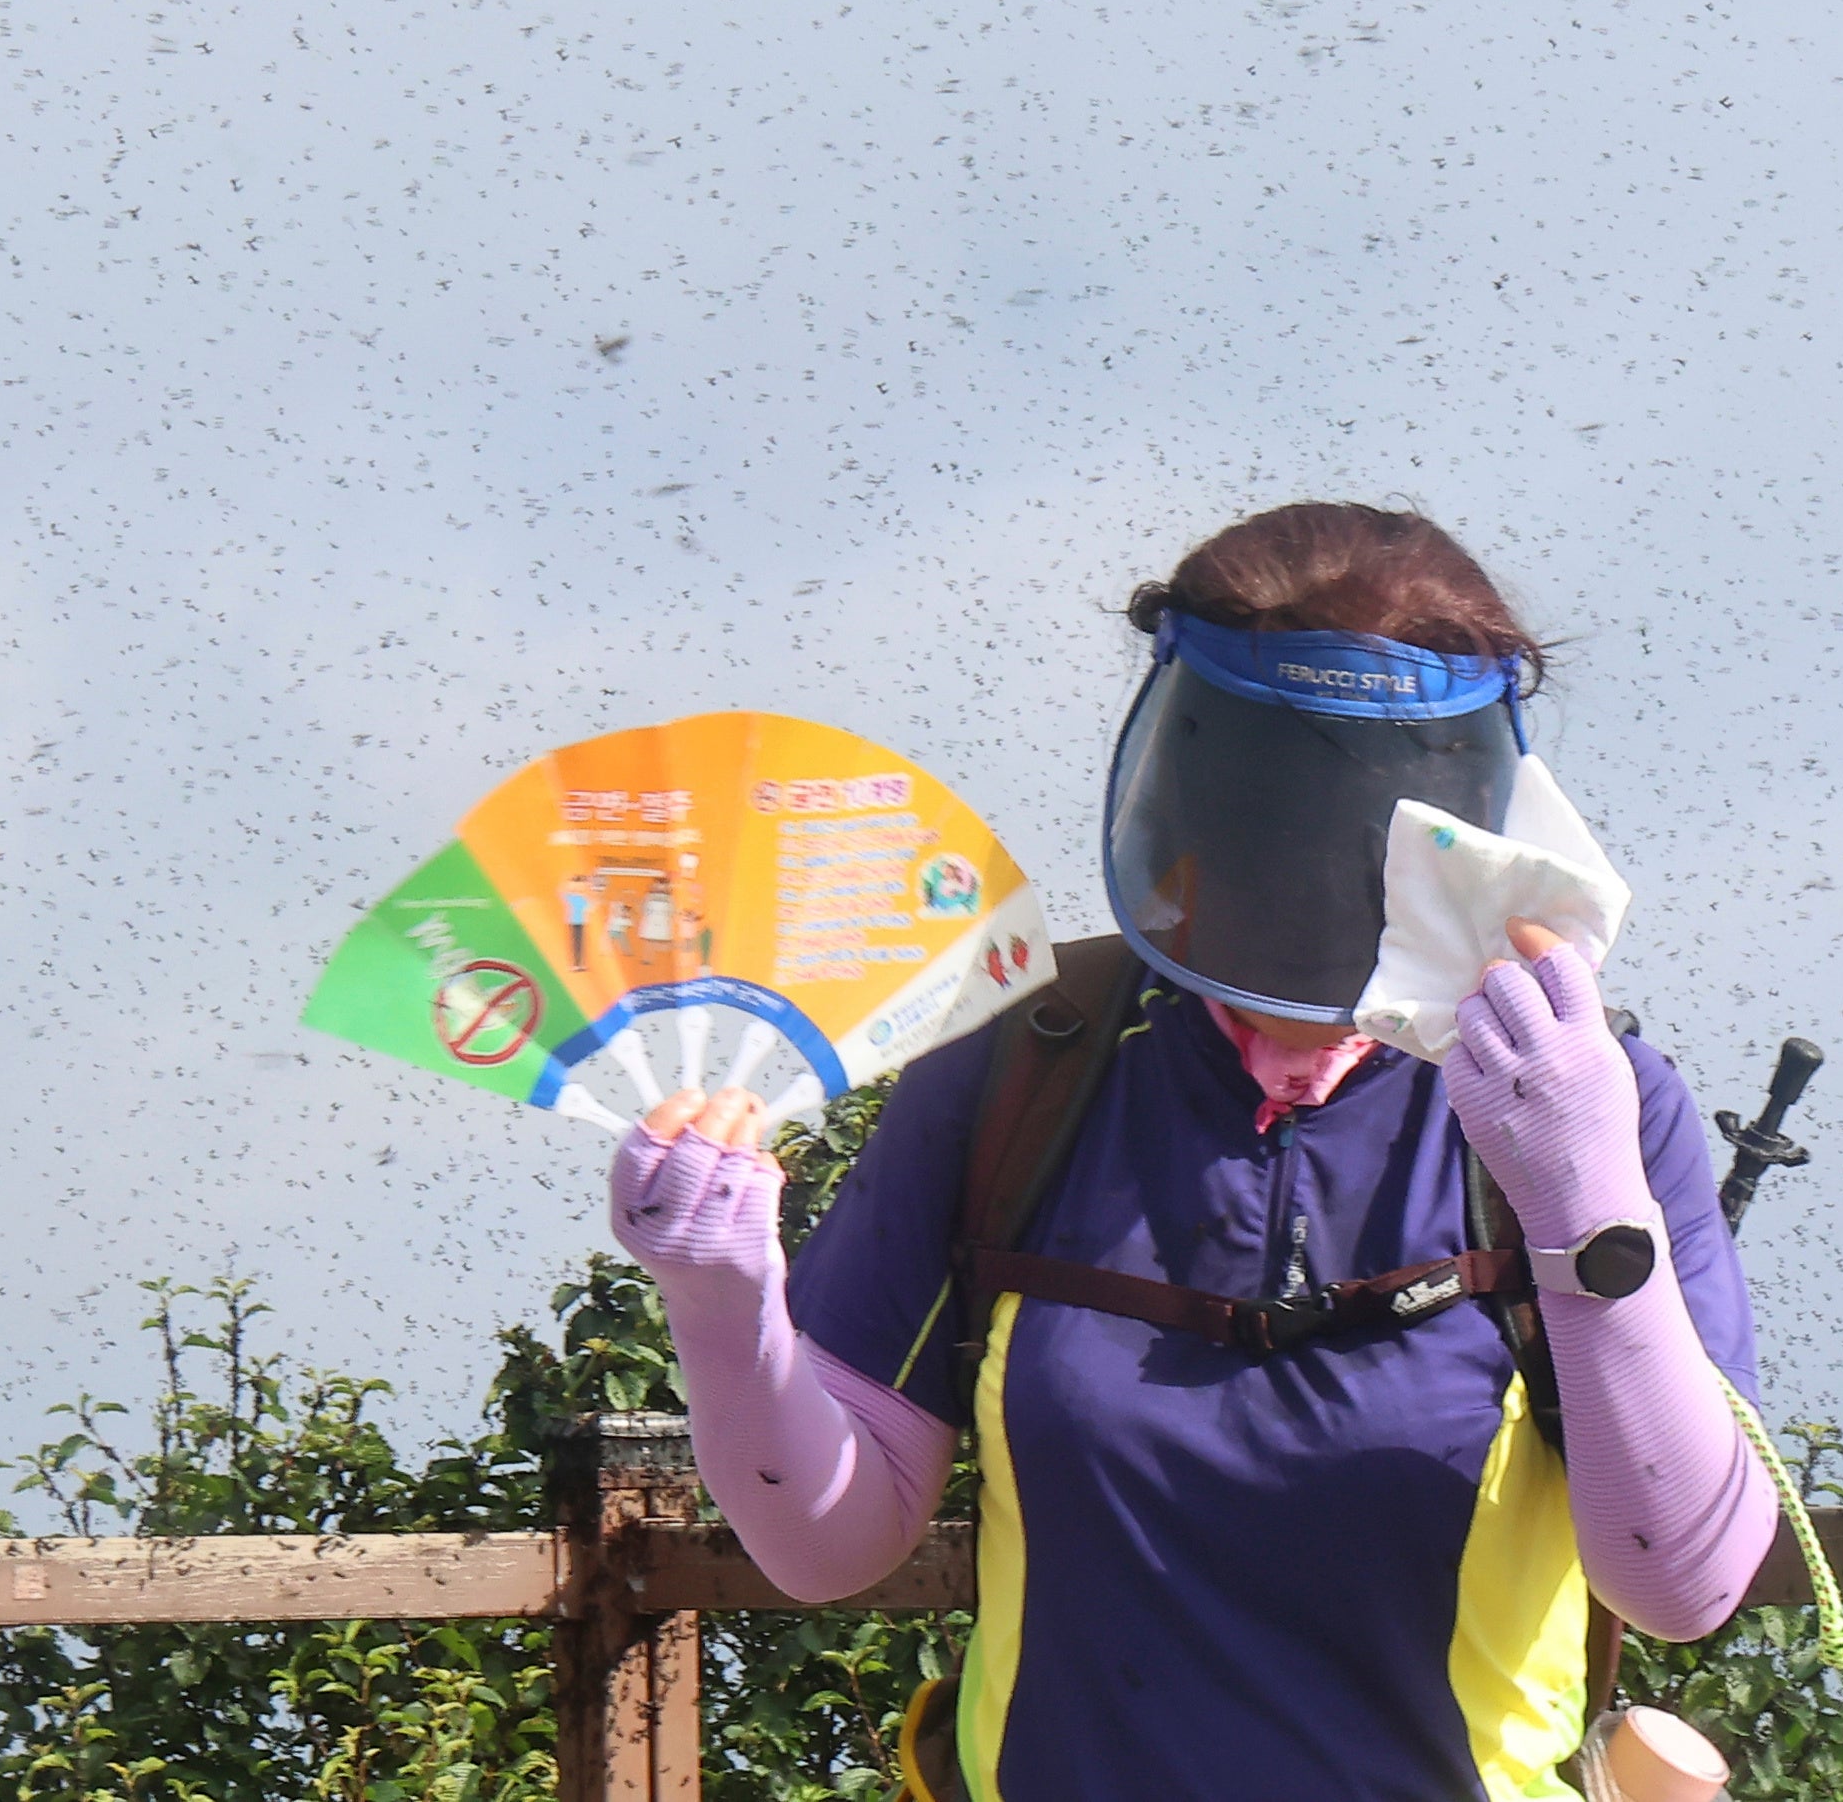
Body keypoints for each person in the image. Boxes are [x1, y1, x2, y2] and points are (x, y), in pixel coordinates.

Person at [609, 504, 1776, 1800]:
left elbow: (1685, 1578)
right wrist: (719, 1299)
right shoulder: (1027, 1058)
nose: (1305, 908)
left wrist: (1580, 1191)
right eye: (1268, 839)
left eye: (1351, 861)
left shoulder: (1588, 1097)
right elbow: (825, 1544)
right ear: (1189, 805)